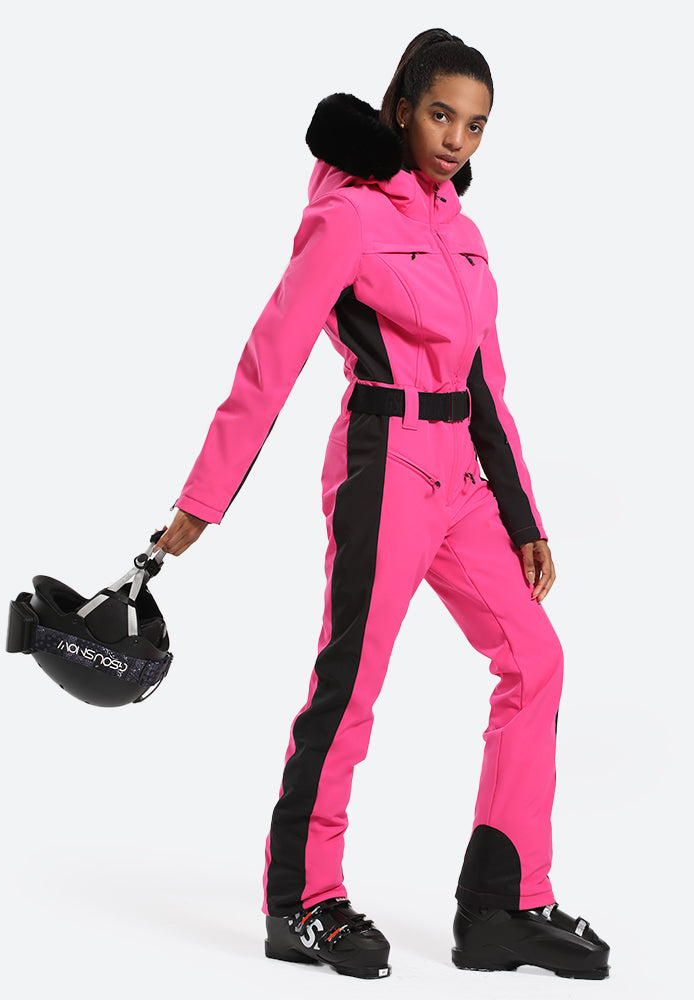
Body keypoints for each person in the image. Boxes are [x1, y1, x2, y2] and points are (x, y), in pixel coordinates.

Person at [154, 28, 610, 982]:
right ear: (402, 108)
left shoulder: (466, 234)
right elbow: (272, 355)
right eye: (441, 115)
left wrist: (524, 519)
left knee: (537, 659)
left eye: (475, 126)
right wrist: (204, 499)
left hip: (463, 479)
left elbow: (485, 387)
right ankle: (303, 902)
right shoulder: (348, 216)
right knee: (353, 681)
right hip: (384, 461)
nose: (456, 140)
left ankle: (503, 904)